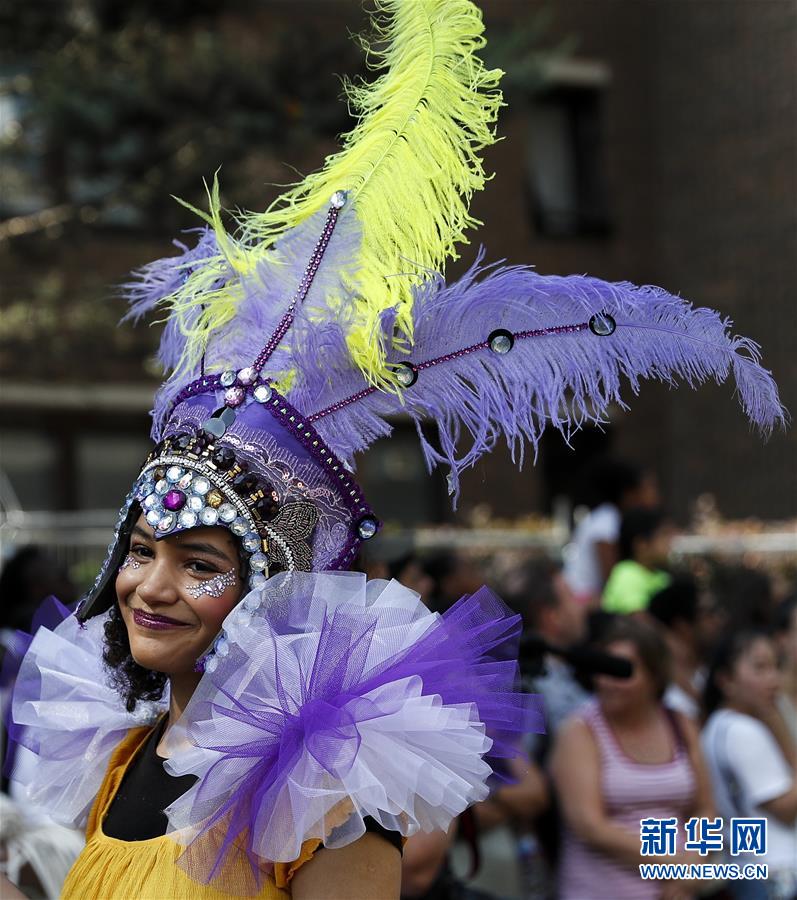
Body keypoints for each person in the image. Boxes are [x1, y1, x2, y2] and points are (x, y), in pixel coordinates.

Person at [5, 0, 782, 895]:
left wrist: (712, 864)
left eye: (197, 562)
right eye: (140, 552)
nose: (149, 584)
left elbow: (717, 830)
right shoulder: (117, 754)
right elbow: (590, 819)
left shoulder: (686, 730)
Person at [552, 617, 715, 899]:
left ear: (654, 675)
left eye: (621, 671)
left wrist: (694, 865)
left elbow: (706, 809)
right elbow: (590, 826)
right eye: (602, 669)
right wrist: (676, 865)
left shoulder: (681, 724)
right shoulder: (580, 732)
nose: (607, 681)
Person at [701, 631, 797, 899]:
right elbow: (786, 808)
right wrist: (781, 730)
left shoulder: (718, 726)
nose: (773, 680)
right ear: (726, 680)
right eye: (760, 668)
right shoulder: (743, 731)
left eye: (776, 667)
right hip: (776, 874)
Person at [563, 460, 659, 606]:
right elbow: (611, 577)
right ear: (629, 493)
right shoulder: (606, 520)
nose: (654, 494)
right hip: (584, 600)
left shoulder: (613, 517)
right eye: (648, 488)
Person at [602, 508, 673, 615]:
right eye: (664, 535)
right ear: (641, 545)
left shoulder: (663, 577)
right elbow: (638, 617)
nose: (670, 542)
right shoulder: (626, 573)